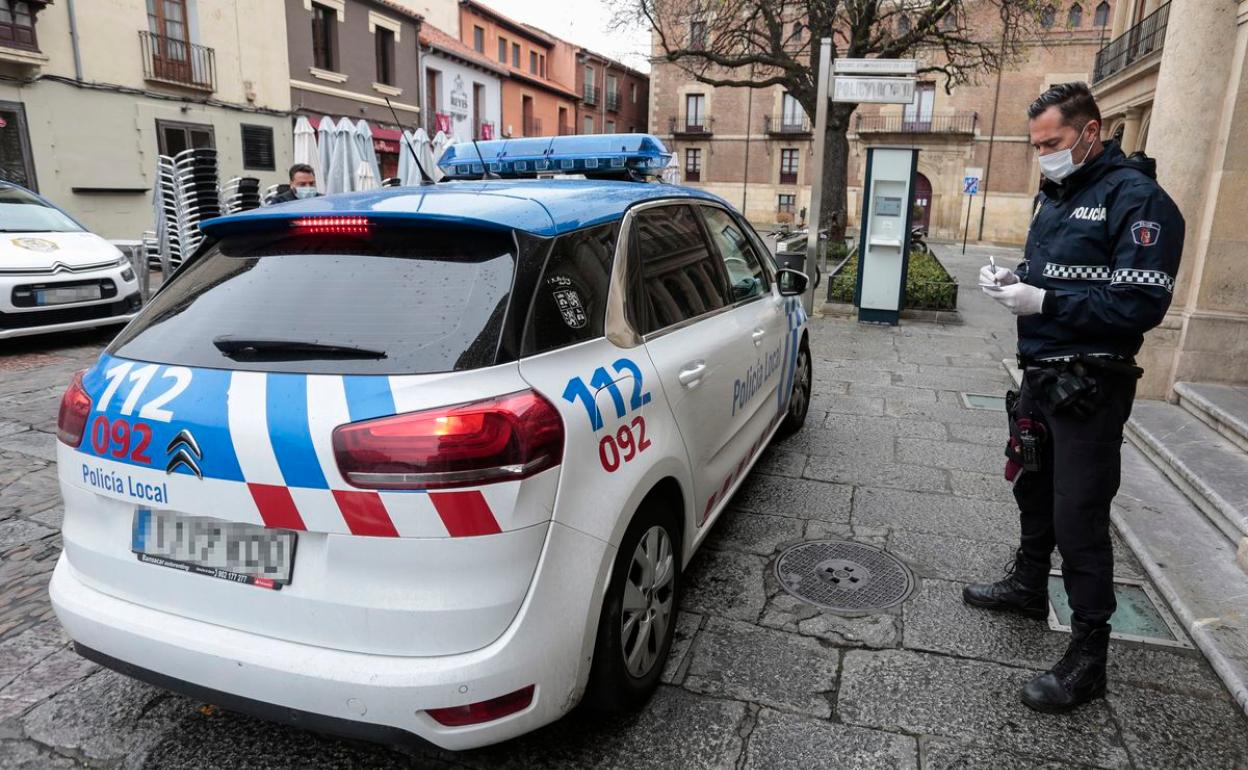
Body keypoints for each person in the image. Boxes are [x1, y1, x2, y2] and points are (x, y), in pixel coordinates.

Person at [964, 82, 1184, 713]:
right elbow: (1056, 272)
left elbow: (1140, 302)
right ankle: (1030, 584)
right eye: (1036, 146)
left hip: (1091, 382)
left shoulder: (1139, 200)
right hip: (1040, 373)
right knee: (1031, 485)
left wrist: (1045, 301)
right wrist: (1016, 279)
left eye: (1053, 143)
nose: (1045, 156)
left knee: (1079, 516)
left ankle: (1090, 656)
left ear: (1092, 131)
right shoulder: (1059, 195)